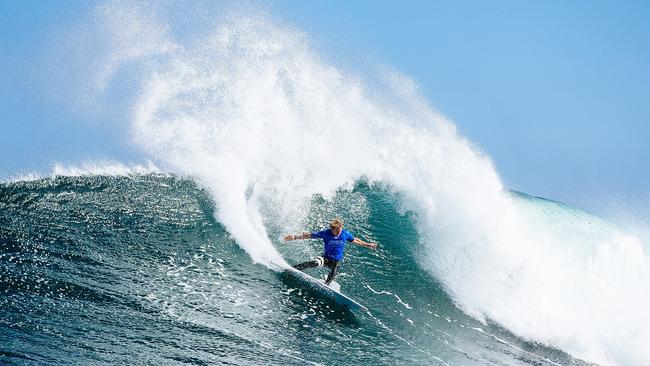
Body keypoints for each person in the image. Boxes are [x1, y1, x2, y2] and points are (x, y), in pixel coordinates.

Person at [283, 219, 377, 286]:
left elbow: (355, 240)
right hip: (326, 258)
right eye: (335, 231)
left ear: (341, 227)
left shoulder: (345, 234)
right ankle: (292, 269)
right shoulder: (326, 233)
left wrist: (367, 244)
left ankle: (326, 285)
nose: (337, 233)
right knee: (314, 263)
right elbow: (310, 235)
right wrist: (294, 237)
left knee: (333, 273)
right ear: (332, 229)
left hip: (336, 260)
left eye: (339, 230)